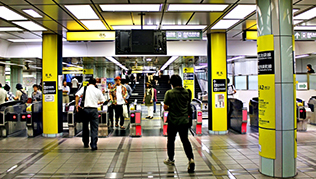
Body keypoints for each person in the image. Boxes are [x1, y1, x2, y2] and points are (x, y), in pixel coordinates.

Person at [163, 75, 195, 173]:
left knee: (171, 140)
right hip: (184, 121)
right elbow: (187, 104)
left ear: (172, 83)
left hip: (173, 121)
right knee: (185, 140)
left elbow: (165, 107)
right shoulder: (187, 92)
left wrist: (172, 107)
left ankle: (171, 159)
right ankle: (191, 159)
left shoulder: (169, 93)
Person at [75, 78, 105, 150]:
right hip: (94, 110)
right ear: (95, 84)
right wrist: (96, 103)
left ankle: (85, 143)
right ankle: (93, 144)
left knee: (85, 127)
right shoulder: (97, 90)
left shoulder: (84, 88)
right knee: (94, 128)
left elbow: (77, 95)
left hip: (85, 110)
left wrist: (76, 105)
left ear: (88, 83)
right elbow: (102, 101)